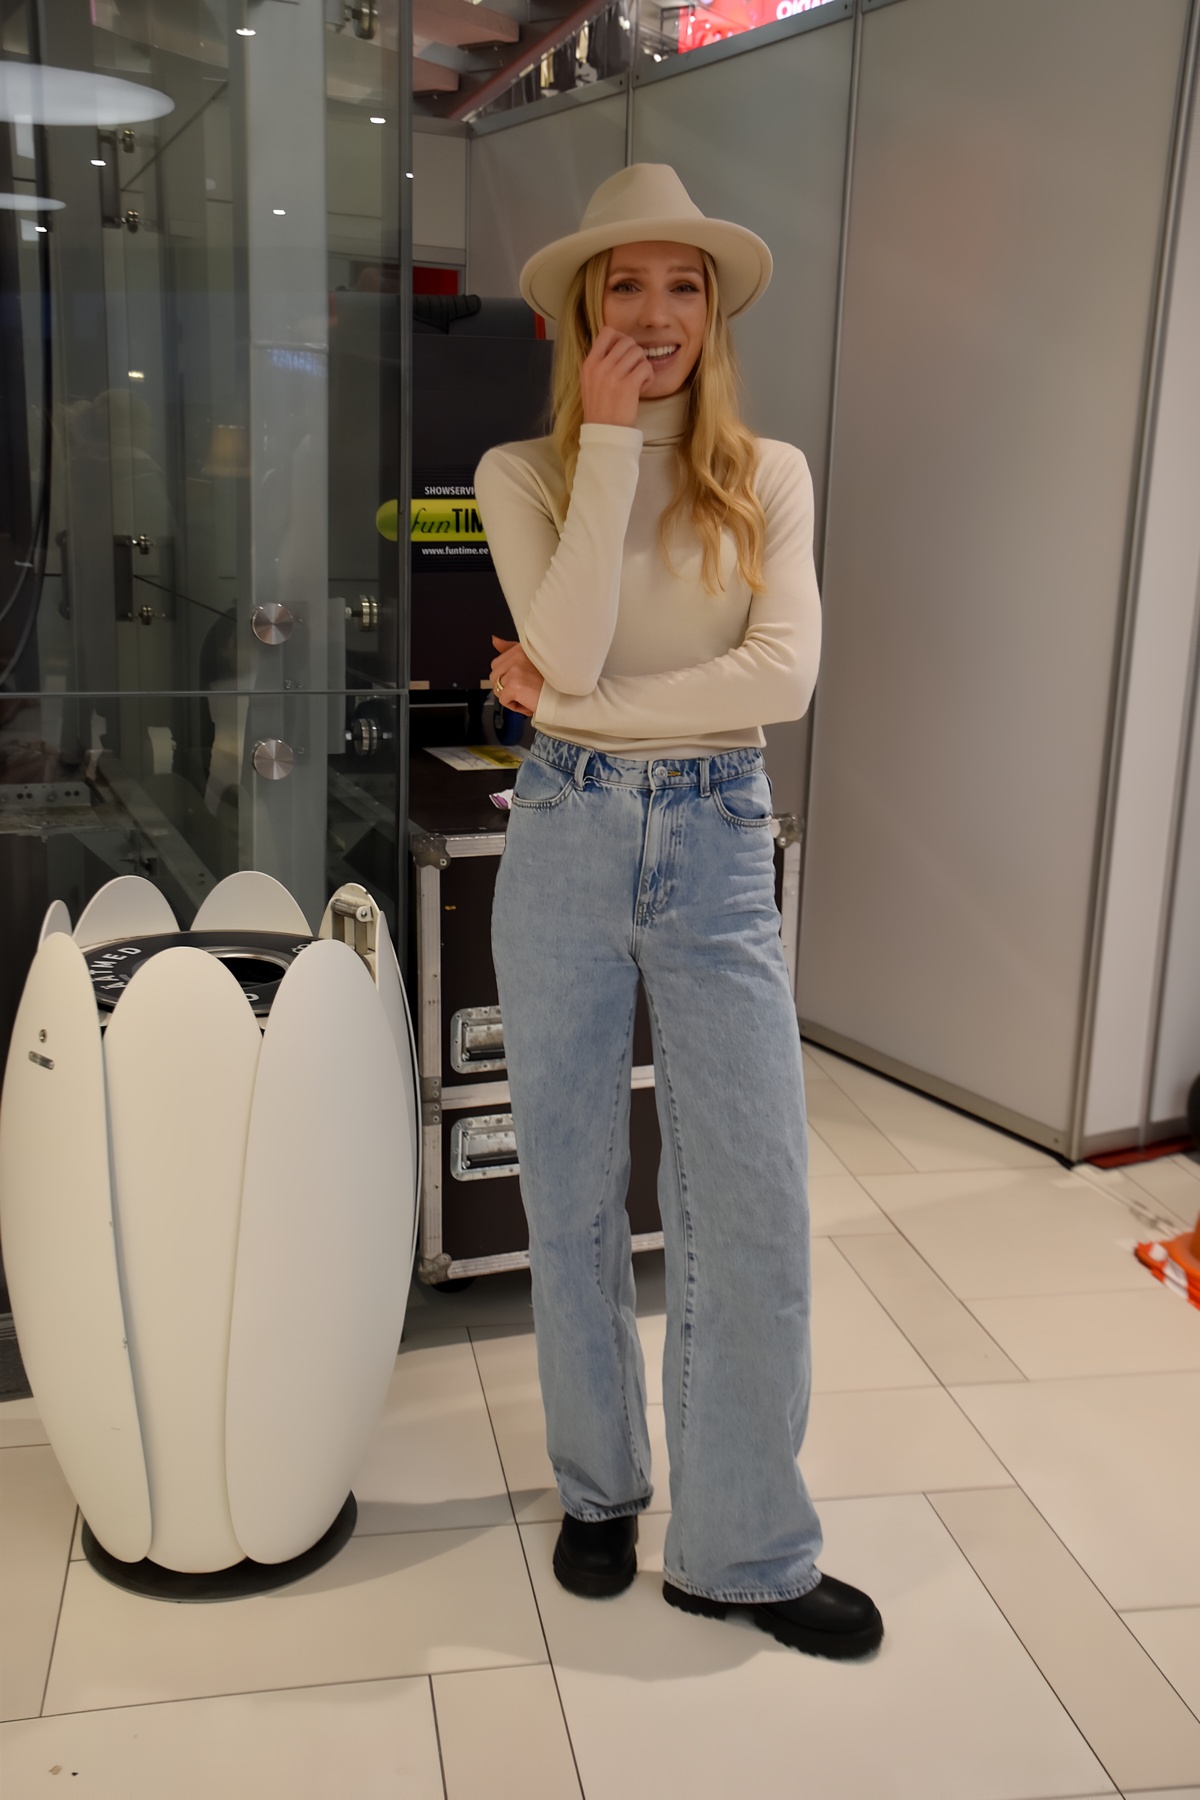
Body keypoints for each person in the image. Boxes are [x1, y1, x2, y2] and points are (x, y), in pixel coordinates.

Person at [474, 165, 883, 1660]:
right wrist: (605, 445)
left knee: (751, 1198)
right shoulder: (523, 476)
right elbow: (572, 639)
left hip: (715, 838)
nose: (656, 314)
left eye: (684, 286)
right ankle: (599, 1485)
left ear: (715, 312)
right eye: (627, 287)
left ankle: (744, 1552)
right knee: (571, 1187)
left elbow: (783, 678)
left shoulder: (768, 475)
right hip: (564, 840)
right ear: (584, 310)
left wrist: (577, 702)